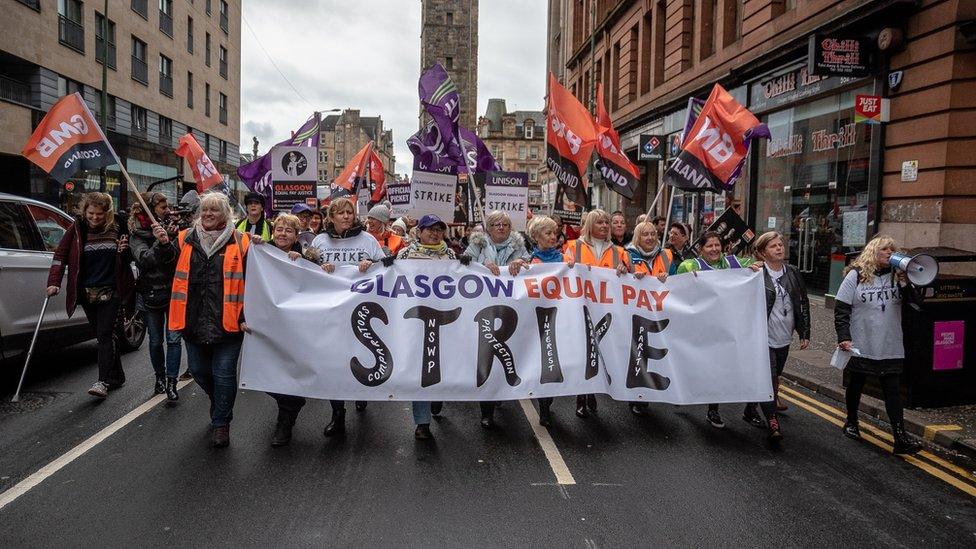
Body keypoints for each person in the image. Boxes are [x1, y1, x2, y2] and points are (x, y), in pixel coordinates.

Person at [168, 192, 249, 448]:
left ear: (226, 215)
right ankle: (219, 402)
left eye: (214, 211)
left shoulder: (242, 242)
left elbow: (257, 281)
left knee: (224, 374)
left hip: (228, 323)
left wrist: (247, 314)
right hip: (192, 322)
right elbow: (159, 265)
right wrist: (161, 245)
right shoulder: (183, 239)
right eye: (204, 210)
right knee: (200, 372)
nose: (208, 215)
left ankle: (221, 423)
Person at [835, 235, 922, 455]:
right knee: (856, 383)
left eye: (892, 250)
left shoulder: (898, 277)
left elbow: (915, 305)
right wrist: (843, 336)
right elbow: (841, 308)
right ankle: (852, 422)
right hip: (862, 340)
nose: (889, 253)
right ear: (873, 251)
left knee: (892, 390)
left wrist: (905, 281)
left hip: (889, 342)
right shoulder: (856, 275)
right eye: (885, 250)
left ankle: (900, 437)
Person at [308, 197, 386, 436]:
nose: (345, 217)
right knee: (334, 362)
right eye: (340, 213)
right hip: (331, 312)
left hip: (361, 310)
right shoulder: (320, 241)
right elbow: (305, 270)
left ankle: (360, 393)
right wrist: (318, 267)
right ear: (330, 217)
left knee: (360, 356)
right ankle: (337, 412)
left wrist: (371, 263)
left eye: (349, 213)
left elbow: (388, 266)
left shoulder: (368, 240)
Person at [47, 192, 133, 399]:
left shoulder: (118, 227)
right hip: (87, 292)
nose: (95, 217)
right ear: (85, 211)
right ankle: (116, 376)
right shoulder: (77, 228)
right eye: (91, 213)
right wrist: (53, 282)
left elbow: (128, 260)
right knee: (104, 335)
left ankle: (102, 381)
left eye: (100, 214)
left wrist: (124, 251)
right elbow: (60, 256)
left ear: (107, 213)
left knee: (104, 335)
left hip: (112, 290)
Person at [676, 231, 762, 428]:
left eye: (717, 245)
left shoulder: (734, 263)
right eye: (709, 246)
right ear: (700, 249)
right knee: (698, 367)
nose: (714, 249)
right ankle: (685, 392)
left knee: (721, 368)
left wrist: (756, 267)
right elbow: (676, 290)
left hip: (728, 326)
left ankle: (714, 409)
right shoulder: (689, 265)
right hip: (700, 326)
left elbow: (754, 266)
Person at [463, 210, 530, 429]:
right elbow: (463, 265)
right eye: (496, 224)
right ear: (488, 228)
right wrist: (480, 267)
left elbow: (531, 266)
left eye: (505, 225)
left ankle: (501, 393)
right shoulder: (478, 245)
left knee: (508, 356)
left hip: (511, 311)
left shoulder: (518, 246)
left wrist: (521, 262)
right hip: (483, 309)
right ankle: (487, 410)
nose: (501, 228)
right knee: (487, 356)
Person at [742, 231, 811, 442]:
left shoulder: (793, 272)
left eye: (780, 244)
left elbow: (802, 302)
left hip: (784, 335)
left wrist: (804, 332)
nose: (779, 248)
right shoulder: (756, 273)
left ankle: (750, 408)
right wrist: (747, 270)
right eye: (773, 246)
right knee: (769, 380)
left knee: (775, 375)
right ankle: (773, 422)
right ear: (762, 253)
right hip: (763, 337)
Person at [563, 209, 630, 418]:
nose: (604, 226)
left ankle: (593, 391)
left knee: (603, 353)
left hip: (608, 310)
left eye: (606, 223)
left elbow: (633, 276)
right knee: (583, 353)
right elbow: (564, 270)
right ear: (590, 225)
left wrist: (626, 270)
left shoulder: (621, 252)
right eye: (599, 222)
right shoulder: (573, 247)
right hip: (581, 308)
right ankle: (582, 396)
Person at [395, 214, 457, 440]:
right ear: (419, 232)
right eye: (429, 229)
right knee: (419, 369)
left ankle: (438, 394)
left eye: (439, 229)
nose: (434, 233)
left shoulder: (450, 255)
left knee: (442, 363)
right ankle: (422, 422)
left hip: (445, 319)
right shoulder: (405, 254)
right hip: (416, 319)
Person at [253, 214, 308, 446]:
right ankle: (292, 404)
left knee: (288, 372)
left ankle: (285, 422)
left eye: (288, 230)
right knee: (264, 373)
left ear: (296, 235)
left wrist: (304, 261)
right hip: (269, 322)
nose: (283, 234)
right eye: (279, 229)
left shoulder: (305, 257)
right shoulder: (261, 252)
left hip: (296, 326)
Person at [129, 192, 182, 401]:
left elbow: (176, 260)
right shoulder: (137, 234)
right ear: (151, 210)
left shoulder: (170, 228)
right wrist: (159, 243)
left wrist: (170, 240)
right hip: (151, 293)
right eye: (162, 207)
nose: (167, 210)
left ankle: (172, 381)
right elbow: (144, 260)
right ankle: (159, 378)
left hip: (173, 291)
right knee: (155, 340)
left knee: (174, 339)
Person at [624, 221, 674, 417]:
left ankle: (655, 391)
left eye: (653, 234)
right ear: (638, 237)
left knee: (657, 354)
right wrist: (628, 275)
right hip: (636, 312)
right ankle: (637, 397)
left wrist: (667, 277)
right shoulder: (627, 255)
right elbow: (618, 277)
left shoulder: (666, 255)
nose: (650, 238)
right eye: (645, 234)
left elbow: (678, 280)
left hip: (661, 312)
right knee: (638, 355)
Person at [527, 215, 564, 427]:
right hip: (538, 318)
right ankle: (543, 405)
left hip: (560, 317)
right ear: (535, 236)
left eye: (554, 233)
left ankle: (548, 400)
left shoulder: (564, 259)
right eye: (547, 233)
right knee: (544, 361)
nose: (553, 237)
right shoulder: (530, 261)